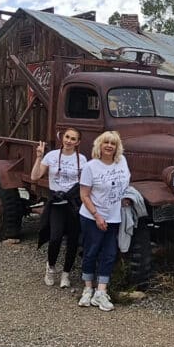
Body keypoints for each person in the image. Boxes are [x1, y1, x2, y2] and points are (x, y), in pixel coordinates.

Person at [77, 131, 131, 311]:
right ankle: (87, 288)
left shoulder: (122, 162)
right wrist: (97, 215)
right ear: (99, 145)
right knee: (91, 251)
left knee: (109, 253)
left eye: (113, 144)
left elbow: (125, 183)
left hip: (113, 216)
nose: (109, 146)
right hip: (92, 216)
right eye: (106, 142)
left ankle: (101, 291)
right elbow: (84, 195)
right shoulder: (91, 167)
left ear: (117, 147)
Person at [31, 128, 87, 288]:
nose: (69, 141)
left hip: (73, 203)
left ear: (78, 142)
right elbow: (35, 176)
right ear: (63, 138)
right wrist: (39, 157)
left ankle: (66, 274)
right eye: (67, 137)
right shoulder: (52, 156)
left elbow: (85, 182)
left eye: (73, 139)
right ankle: (50, 267)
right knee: (55, 237)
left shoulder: (82, 160)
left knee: (73, 240)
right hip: (56, 202)